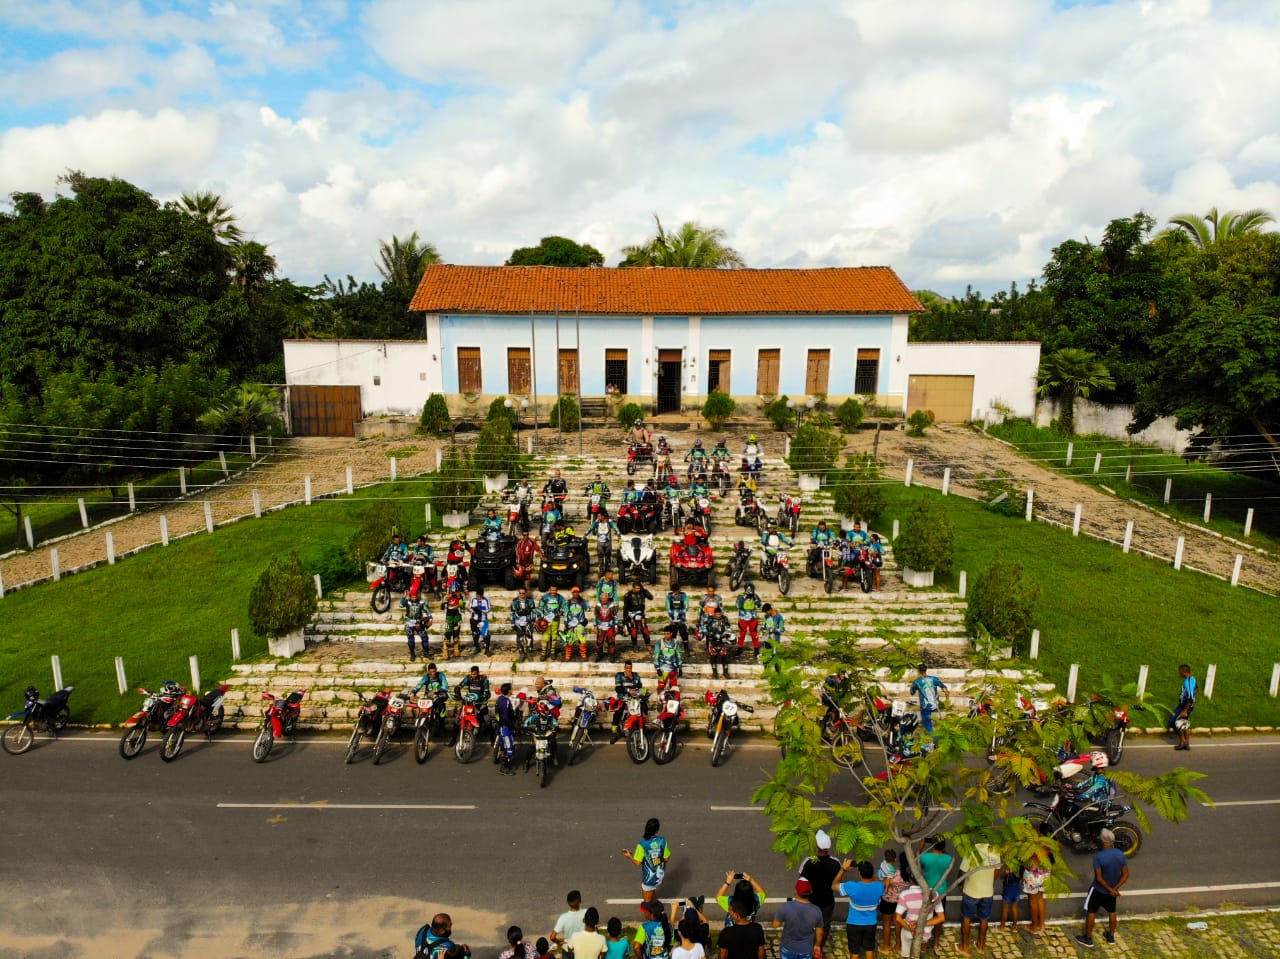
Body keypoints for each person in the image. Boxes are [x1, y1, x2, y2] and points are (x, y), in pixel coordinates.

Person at [1076, 828, 1129, 948]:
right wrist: (1114, 889)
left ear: (1102, 841)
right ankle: (1111, 936)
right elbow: (1126, 874)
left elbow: (1099, 878)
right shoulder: (1120, 854)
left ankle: (1088, 938)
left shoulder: (1098, 856)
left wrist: (1110, 889)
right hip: (1112, 892)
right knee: (1112, 911)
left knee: (1091, 911)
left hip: (1098, 890)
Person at [800, 830, 842, 952]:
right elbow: (837, 881)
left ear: (817, 846)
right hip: (827, 901)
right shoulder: (835, 863)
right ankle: (819, 948)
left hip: (811, 900)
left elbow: (802, 881)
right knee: (824, 926)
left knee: (808, 924)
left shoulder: (809, 861)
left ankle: (808, 946)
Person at [835, 859, 884, 959]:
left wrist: (843, 869)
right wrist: (872, 875)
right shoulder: (879, 886)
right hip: (871, 924)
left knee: (854, 951)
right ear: (872, 873)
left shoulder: (852, 886)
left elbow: (834, 885)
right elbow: (878, 881)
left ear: (859, 874)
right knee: (869, 949)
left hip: (854, 924)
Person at [958, 841, 1001, 955]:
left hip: (971, 891)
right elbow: (997, 871)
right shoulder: (994, 850)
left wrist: (960, 884)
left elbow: (962, 871)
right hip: (987, 892)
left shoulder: (971, 850)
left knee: (966, 918)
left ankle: (965, 947)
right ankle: (981, 946)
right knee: (984, 918)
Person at [894, 863, 944, 959]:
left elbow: (898, 918)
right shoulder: (933, 894)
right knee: (920, 951)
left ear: (910, 880)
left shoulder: (905, 894)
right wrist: (922, 923)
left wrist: (910, 928)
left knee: (907, 955)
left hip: (908, 931)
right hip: (925, 933)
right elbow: (941, 917)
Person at [772, 878, 824, 959]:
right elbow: (820, 932)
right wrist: (817, 945)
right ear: (811, 892)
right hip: (806, 949)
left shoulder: (786, 907)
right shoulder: (817, 910)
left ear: (796, 891)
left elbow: (775, 925)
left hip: (787, 947)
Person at [918, 837, 953, 953]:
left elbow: (916, 862)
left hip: (927, 891)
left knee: (925, 916)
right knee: (939, 917)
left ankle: (923, 943)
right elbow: (947, 856)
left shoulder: (925, 857)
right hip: (941, 892)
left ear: (933, 845)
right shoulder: (949, 858)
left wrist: (921, 847)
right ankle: (936, 941)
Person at [623, 818, 670, 902]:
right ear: (657, 830)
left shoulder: (642, 844)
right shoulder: (662, 841)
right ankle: (657, 907)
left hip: (649, 878)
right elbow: (666, 858)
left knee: (647, 904)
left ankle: (656, 913)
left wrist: (629, 856)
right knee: (652, 892)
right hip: (659, 875)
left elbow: (637, 862)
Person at [876, 850, 907, 956]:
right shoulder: (906, 875)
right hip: (900, 902)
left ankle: (886, 946)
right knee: (898, 922)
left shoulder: (890, 871)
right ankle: (899, 945)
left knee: (887, 924)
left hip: (888, 901)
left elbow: (885, 884)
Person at [910, 663, 949, 737]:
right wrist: (947, 698)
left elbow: (912, 692)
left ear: (918, 671)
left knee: (927, 724)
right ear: (926, 670)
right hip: (936, 705)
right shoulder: (934, 679)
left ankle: (934, 739)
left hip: (926, 707)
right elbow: (944, 688)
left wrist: (914, 687)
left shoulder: (917, 681)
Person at [612, 660, 646, 743]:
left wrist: (632, 679)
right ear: (624, 668)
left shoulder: (636, 675)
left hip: (634, 699)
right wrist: (628, 690)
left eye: (630, 668)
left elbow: (640, 686)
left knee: (644, 708)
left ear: (631, 668)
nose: (628, 670)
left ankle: (640, 730)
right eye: (627, 668)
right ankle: (614, 733)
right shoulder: (619, 675)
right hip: (623, 699)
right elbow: (617, 689)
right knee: (618, 713)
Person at [493, 681, 520, 775]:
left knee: (505, 746)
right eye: (511, 688)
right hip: (505, 728)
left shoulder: (500, 699)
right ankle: (504, 768)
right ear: (509, 691)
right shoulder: (506, 702)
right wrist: (512, 725)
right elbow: (506, 717)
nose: (512, 690)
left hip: (501, 726)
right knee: (510, 747)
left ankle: (503, 760)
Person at [1170, 663, 1197, 750]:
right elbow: (1197, 688)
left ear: (1184, 672)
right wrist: (1193, 695)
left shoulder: (1188, 682)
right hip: (1187, 706)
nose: (1179, 673)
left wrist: (1185, 710)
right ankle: (1187, 743)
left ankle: (1183, 741)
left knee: (1173, 722)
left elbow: (1190, 698)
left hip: (1184, 707)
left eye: (1180, 671)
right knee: (1184, 723)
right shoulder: (1192, 679)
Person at [552, 891, 586, 956]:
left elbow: (552, 937)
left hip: (567, 949)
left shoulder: (563, 917)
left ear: (568, 903)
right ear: (580, 901)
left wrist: (559, 942)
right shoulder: (586, 913)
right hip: (582, 949)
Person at [734, 583, 762, 660]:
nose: (750, 591)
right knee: (741, 634)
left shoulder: (755, 596)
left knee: (754, 634)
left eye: (751, 589)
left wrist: (755, 598)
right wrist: (744, 597)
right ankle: (739, 649)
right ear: (745, 589)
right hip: (743, 619)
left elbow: (760, 605)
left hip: (753, 619)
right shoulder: (740, 596)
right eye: (748, 589)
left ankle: (756, 649)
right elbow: (737, 606)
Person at [403, 592, 433, 661]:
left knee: (424, 637)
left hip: (419, 623)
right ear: (410, 596)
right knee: (411, 639)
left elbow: (427, 610)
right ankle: (412, 654)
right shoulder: (407, 602)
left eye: (415, 596)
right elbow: (401, 605)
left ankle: (426, 652)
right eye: (412, 596)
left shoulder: (421, 602)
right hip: (409, 622)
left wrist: (430, 619)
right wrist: (404, 597)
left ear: (417, 596)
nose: (414, 598)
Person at [563, 586, 591, 661]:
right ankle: (568, 655)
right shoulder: (568, 602)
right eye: (574, 592)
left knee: (582, 639)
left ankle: (583, 653)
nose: (575, 593)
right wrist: (566, 623)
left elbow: (588, 609)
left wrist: (585, 602)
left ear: (579, 593)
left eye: (577, 592)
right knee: (569, 640)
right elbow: (565, 613)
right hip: (570, 624)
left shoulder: (582, 601)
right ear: (572, 593)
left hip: (580, 623)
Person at [624, 581, 654, 648]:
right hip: (632, 615)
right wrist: (625, 618)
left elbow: (651, 598)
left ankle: (648, 644)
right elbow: (625, 607)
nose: (638, 590)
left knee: (645, 630)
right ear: (633, 588)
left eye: (639, 588)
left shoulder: (642, 592)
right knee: (634, 631)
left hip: (641, 614)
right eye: (637, 588)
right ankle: (634, 645)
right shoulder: (627, 595)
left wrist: (644, 590)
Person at [997, 859, 1024, 933]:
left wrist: (1005, 873)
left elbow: (1001, 877)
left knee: (1005, 909)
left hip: (1008, 891)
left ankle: (1002, 926)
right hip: (1016, 890)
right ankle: (1015, 926)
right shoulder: (1020, 869)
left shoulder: (1008, 870)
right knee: (1015, 908)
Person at [441, 586, 464, 659]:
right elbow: (442, 607)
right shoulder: (447, 597)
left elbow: (462, 606)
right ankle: (445, 650)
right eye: (452, 592)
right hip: (449, 617)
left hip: (457, 616)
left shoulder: (460, 596)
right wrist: (446, 600)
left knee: (456, 634)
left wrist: (459, 597)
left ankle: (456, 648)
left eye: (455, 592)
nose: (454, 593)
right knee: (448, 633)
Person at [665, 584, 690, 652]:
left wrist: (681, 612)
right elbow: (667, 606)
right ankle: (672, 646)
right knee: (673, 632)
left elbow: (686, 605)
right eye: (674, 591)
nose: (675, 592)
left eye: (677, 591)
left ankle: (686, 647)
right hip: (672, 617)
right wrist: (671, 613)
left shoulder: (683, 596)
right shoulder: (669, 596)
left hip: (681, 616)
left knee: (683, 632)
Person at [468, 587, 492, 655]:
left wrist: (481, 611)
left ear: (482, 595)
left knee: (487, 635)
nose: (477, 596)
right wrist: (474, 610)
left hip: (483, 620)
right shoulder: (473, 599)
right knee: (475, 635)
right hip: (474, 620)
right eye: (476, 595)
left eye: (479, 595)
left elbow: (489, 609)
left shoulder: (486, 600)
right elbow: (469, 608)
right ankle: (477, 648)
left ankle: (487, 650)